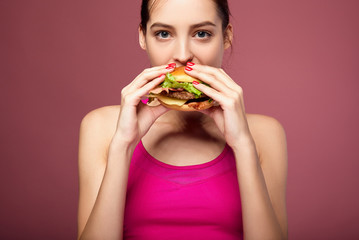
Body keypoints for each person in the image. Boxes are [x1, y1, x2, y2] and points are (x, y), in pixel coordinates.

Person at [77, 0, 288, 239]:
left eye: (202, 33)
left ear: (226, 36)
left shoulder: (265, 134)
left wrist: (242, 144)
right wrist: (123, 145)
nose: (183, 55)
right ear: (143, 37)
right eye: (163, 34)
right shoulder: (102, 127)